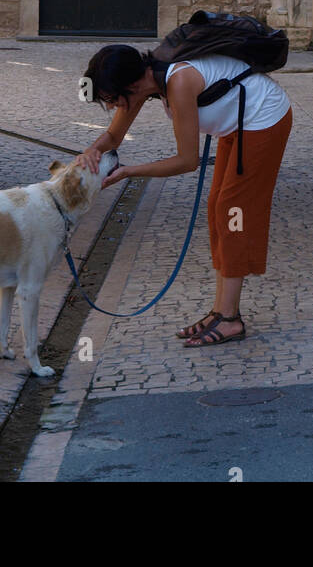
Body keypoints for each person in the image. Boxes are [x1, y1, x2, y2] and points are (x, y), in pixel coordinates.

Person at [74, 42, 292, 346]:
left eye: (111, 98)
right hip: (235, 125)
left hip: (263, 118)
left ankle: (229, 319)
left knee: (233, 212)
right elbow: (114, 135)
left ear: (131, 84)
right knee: (219, 207)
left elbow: (187, 161)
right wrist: (92, 150)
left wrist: (129, 172)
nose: (111, 106)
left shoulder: (177, 82)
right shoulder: (145, 82)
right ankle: (221, 311)